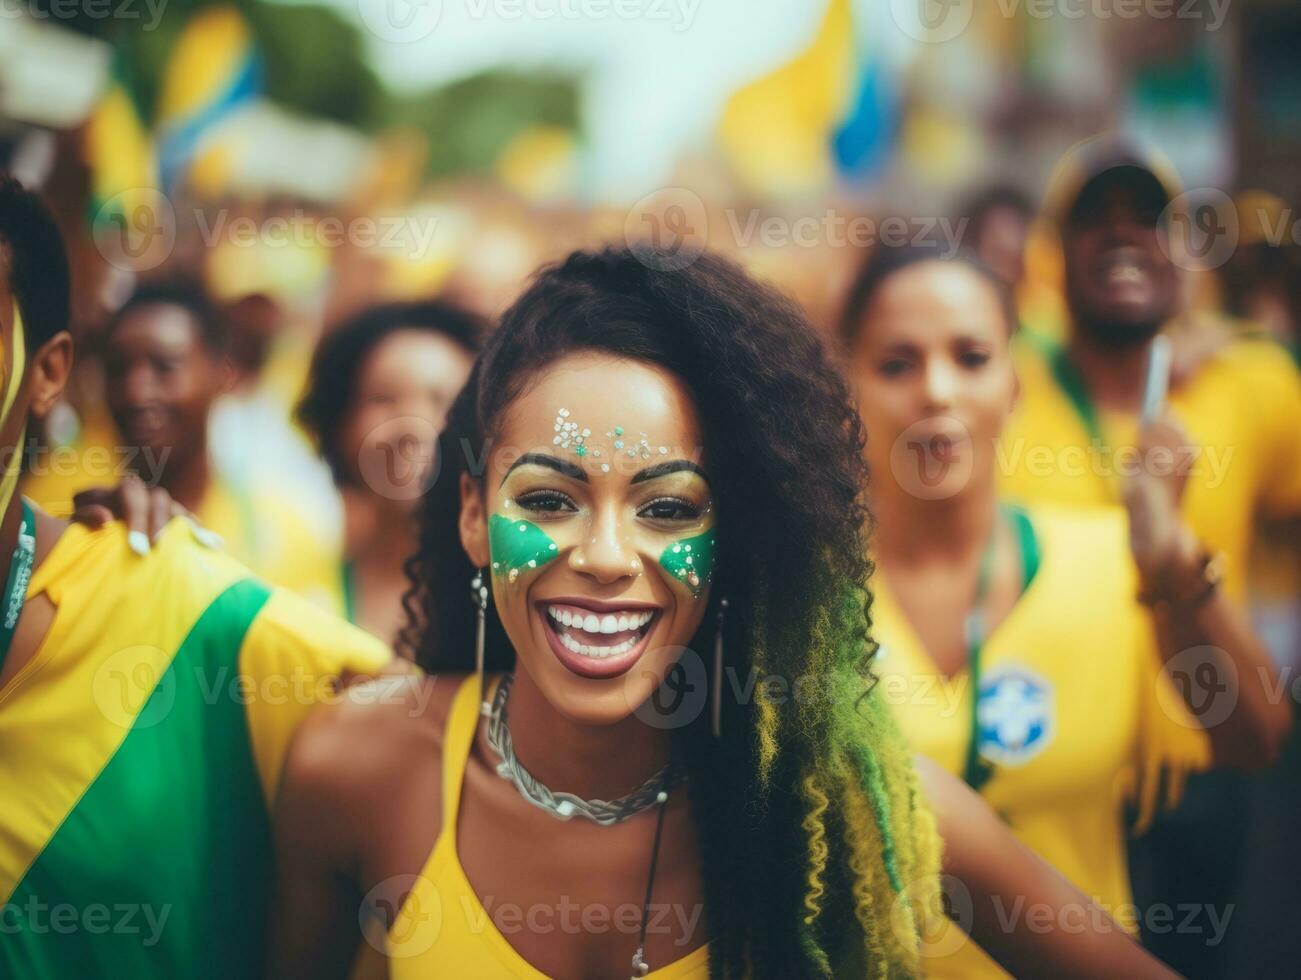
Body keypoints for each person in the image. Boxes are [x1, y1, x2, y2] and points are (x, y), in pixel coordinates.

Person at [268, 246, 1178, 979]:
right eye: (547, 500)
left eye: (667, 508)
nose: (605, 557)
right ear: (473, 513)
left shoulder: (841, 808)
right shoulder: (356, 768)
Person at [840, 241, 1290, 978]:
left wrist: (1173, 560)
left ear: (1015, 382)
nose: (936, 391)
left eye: (971, 357)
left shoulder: (1111, 561)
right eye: (896, 363)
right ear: (845, 383)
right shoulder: (798, 590)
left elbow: (1252, 742)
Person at [0, 175, 394, 978]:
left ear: (48, 373)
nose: (142, 389)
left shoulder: (199, 581)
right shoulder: (71, 493)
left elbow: (445, 764)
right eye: (127, 365)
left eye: (167, 364)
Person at [998, 136, 1301, 976]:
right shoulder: (1004, 382)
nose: (1123, 236)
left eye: (1149, 219)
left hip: (1210, 759)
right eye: (1094, 219)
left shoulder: (1249, 382)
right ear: (1055, 253)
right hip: (1051, 769)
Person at [100, 278, 338, 606]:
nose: (137, 393)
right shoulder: (72, 512)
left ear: (223, 375)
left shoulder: (283, 534)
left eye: (164, 368)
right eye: (117, 369)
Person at [297, 300, 481, 643]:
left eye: (443, 401)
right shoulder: (292, 587)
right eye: (383, 398)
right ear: (339, 424)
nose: (411, 426)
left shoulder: (511, 598)